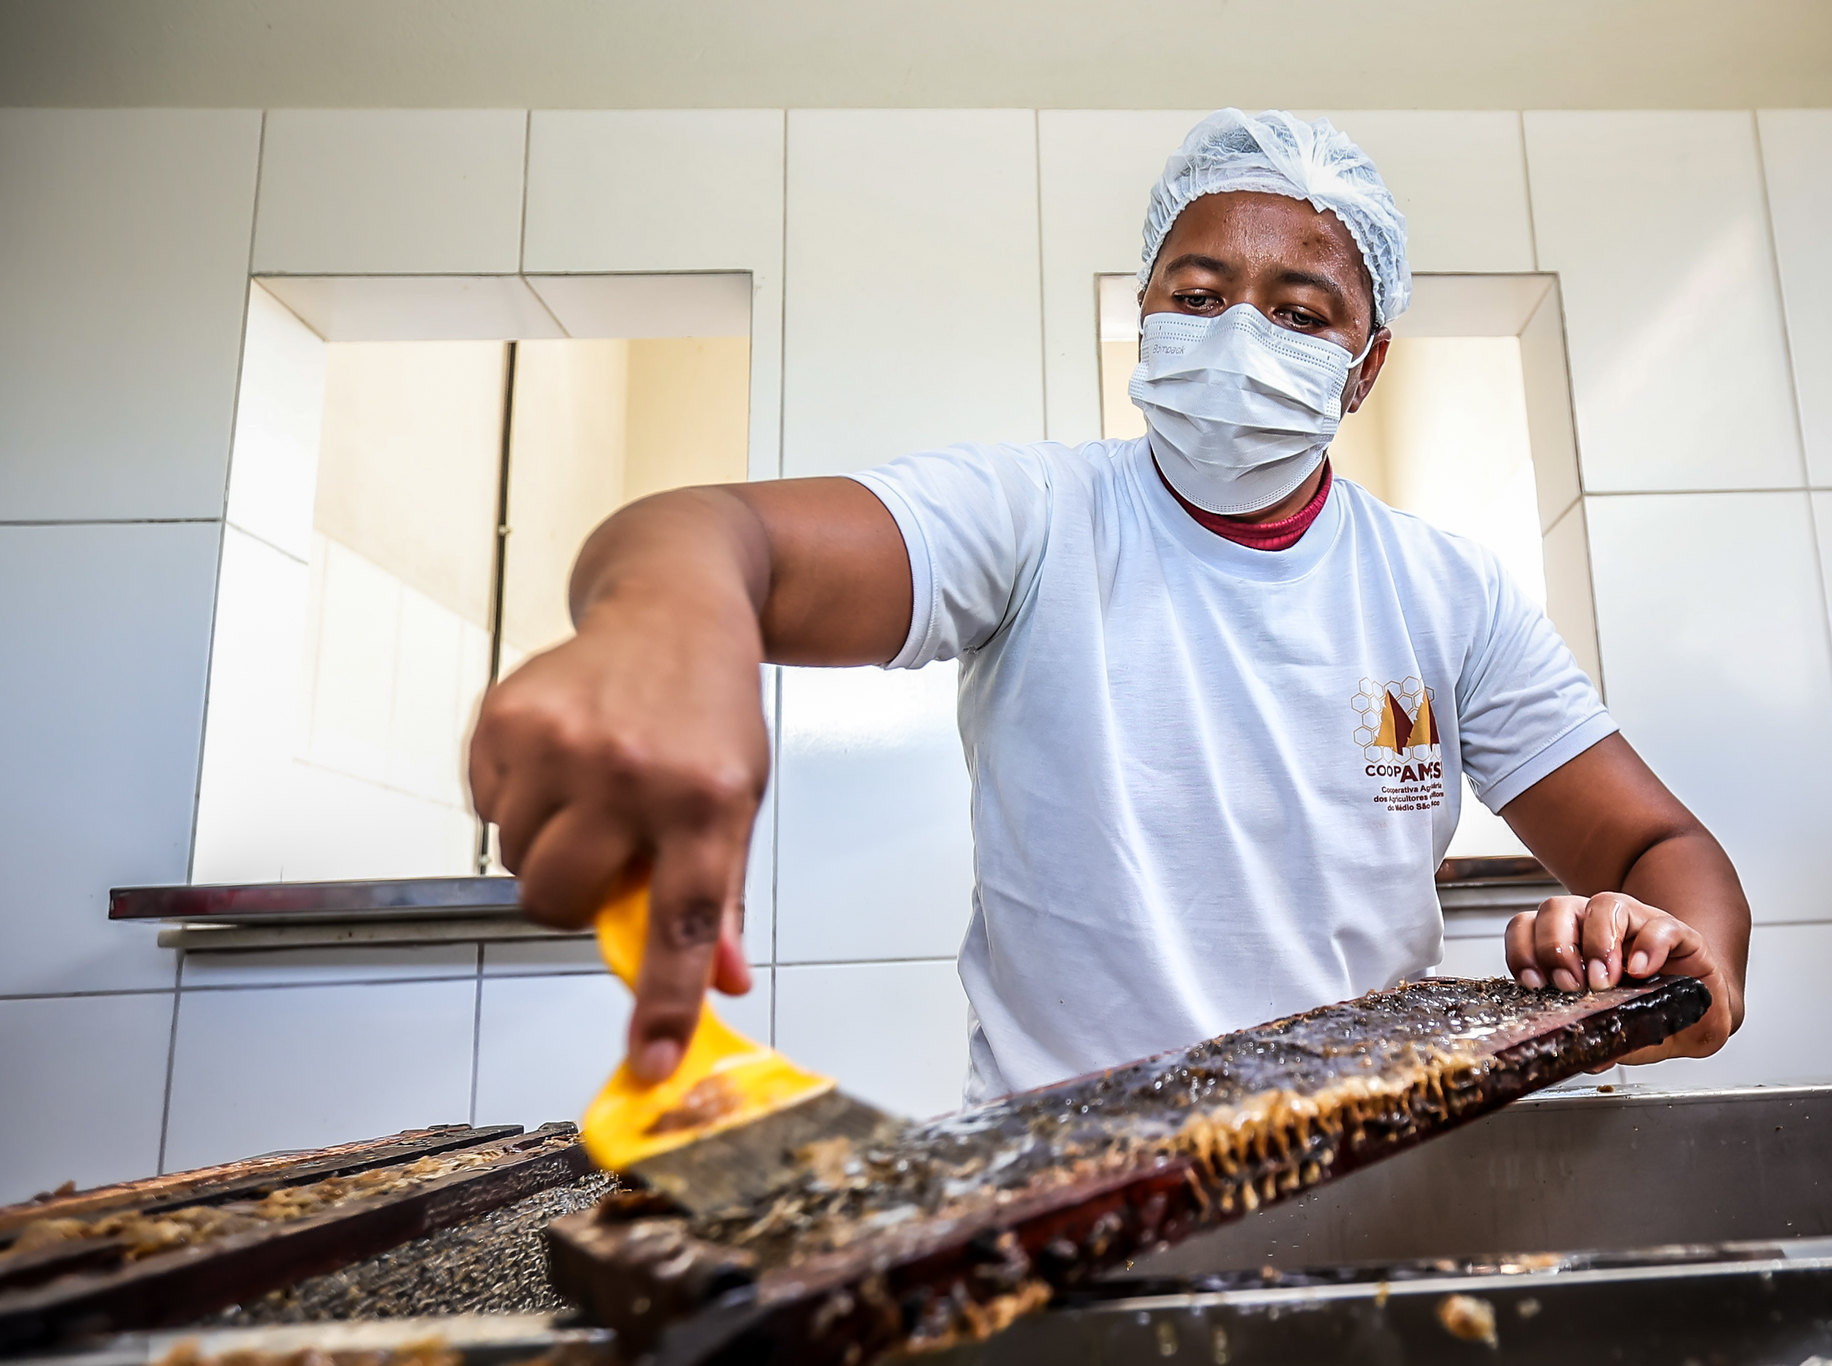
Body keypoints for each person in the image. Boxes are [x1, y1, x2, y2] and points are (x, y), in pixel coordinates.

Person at [468, 108, 1750, 1102]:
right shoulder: (1036, 523)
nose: (1238, 333)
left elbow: (1662, 854)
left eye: (1299, 311)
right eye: (1195, 296)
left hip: (1373, 1172)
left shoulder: (1443, 592)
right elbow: (709, 532)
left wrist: (1657, 952)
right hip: (1062, 1189)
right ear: (1142, 317)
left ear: (1361, 370)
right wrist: (668, 627)